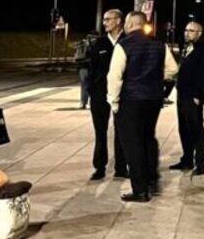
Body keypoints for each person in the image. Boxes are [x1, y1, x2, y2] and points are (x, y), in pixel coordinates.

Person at [107, 11, 178, 202]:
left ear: (129, 24)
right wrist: (154, 78)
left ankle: (140, 190)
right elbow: (173, 70)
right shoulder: (159, 44)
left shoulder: (123, 45)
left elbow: (115, 77)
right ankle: (152, 180)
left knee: (133, 144)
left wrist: (114, 102)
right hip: (153, 99)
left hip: (131, 100)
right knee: (148, 138)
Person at [87, 12, 127, 181]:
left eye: (108, 19)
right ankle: (99, 167)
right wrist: (91, 90)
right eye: (103, 19)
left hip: (122, 93)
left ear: (118, 21)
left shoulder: (127, 41)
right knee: (100, 131)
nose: (104, 23)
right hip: (100, 94)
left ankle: (121, 167)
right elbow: (92, 68)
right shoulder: (99, 43)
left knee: (122, 131)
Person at [171, 21, 204, 175]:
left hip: (192, 97)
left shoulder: (203, 51)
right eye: (186, 30)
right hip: (181, 94)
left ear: (199, 33)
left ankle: (200, 163)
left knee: (196, 130)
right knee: (183, 128)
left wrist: (198, 97)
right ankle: (187, 159)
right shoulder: (185, 48)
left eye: (191, 30)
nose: (187, 33)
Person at [74, 31, 97, 109]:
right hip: (90, 67)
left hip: (82, 67)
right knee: (93, 85)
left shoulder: (82, 43)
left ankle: (83, 102)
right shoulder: (95, 43)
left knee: (84, 85)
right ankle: (92, 102)